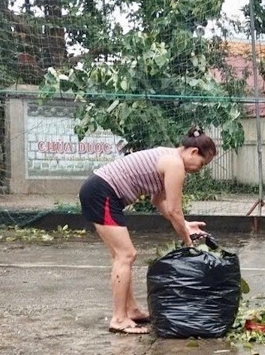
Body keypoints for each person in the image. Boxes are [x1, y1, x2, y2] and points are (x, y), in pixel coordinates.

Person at [79, 128, 215, 334]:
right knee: (126, 255)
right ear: (193, 152)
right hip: (102, 193)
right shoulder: (175, 164)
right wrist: (188, 242)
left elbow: (159, 200)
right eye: (202, 164)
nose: (200, 169)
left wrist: (185, 225)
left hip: (100, 191)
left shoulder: (169, 157)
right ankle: (118, 319)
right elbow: (174, 209)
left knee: (120, 256)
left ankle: (131, 310)